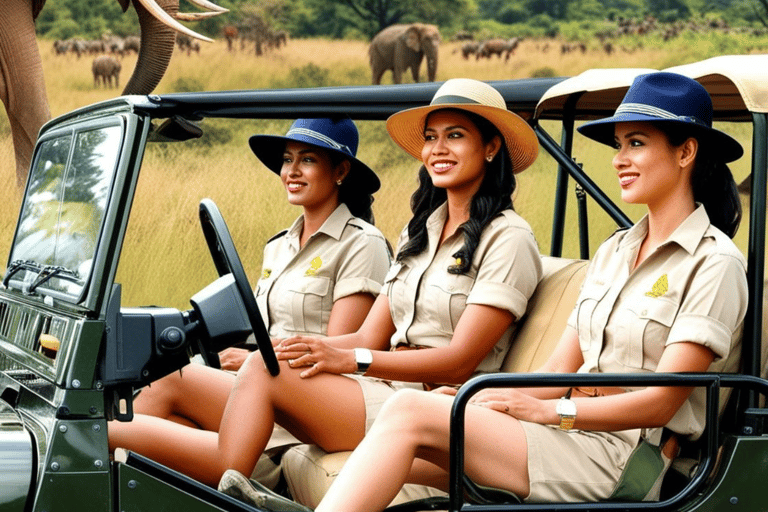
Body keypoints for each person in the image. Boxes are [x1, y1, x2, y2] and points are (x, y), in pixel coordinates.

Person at [315, 71, 749, 511]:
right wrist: (480, 396)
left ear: (686, 152)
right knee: (402, 439)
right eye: (618, 145)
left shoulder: (715, 263)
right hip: (567, 431)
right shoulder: (616, 250)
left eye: (635, 143)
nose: (618, 159)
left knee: (409, 412)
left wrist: (550, 412)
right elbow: (560, 368)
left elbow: (660, 403)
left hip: (622, 455)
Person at [109, 78, 543, 491]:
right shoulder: (419, 235)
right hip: (380, 387)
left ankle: (123, 442)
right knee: (173, 378)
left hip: (430, 404)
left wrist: (345, 357)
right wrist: (304, 349)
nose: (437, 149)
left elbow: (458, 362)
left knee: (261, 371)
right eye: (430, 138)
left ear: (490, 147)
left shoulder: (509, 237)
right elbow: (368, 337)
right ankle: (114, 469)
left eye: (455, 136)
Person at [108, 117, 391, 472]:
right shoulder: (279, 246)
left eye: (307, 160)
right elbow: (260, 330)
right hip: (261, 384)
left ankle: (92, 445)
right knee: (169, 407)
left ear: (341, 170)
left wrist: (251, 362)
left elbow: (335, 352)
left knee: (161, 390)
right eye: (287, 160)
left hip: (310, 403)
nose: (292, 171)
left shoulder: (362, 243)